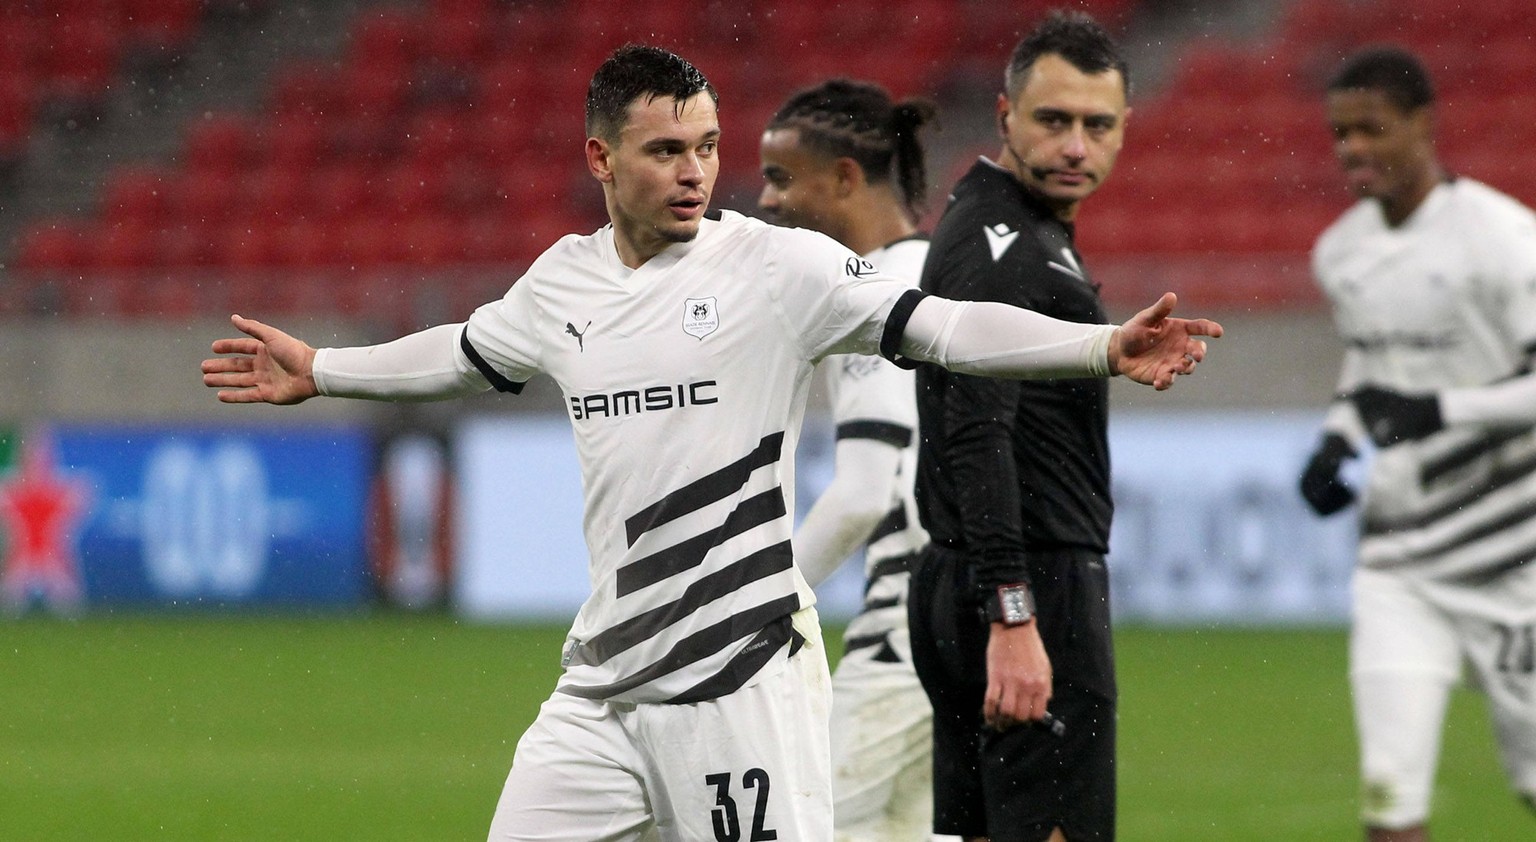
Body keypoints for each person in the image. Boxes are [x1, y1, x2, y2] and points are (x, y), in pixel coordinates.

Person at [201, 44, 1220, 842]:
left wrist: (1098, 346)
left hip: (738, 684)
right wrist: (324, 367)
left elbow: (948, 325)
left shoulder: (778, 269)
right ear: (600, 157)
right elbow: (464, 350)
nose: (696, 172)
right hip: (601, 686)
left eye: (707, 146)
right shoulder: (563, 283)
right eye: (665, 150)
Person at [1297, 46, 1536, 842]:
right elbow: (1371, 360)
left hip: (1514, 558)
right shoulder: (1341, 252)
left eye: (1371, 129)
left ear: (1424, 126)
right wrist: (1336, 442)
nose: (1353, 149)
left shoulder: (1504, 238)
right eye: (1340, 134)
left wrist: (1441, 409)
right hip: (1400, 560)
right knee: (1388, 796)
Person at [907, 11, 1131, 841]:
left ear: (1122, 130)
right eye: (1053, 120)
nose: (1076, 144)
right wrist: (1013, 613)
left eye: (1096, 125)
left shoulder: (1007, 227)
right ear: (1005, 117)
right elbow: (976, 430)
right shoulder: (1007, 249)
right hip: (1027, 584)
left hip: (971, 578)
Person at [757, 78, 954, 841]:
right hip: (960, 628)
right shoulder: (945, 272)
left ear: (844, 177)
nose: (767, 202)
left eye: (780, 178)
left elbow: (865, 493)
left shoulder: (873, 296)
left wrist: (759, 603)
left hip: (904, 636)